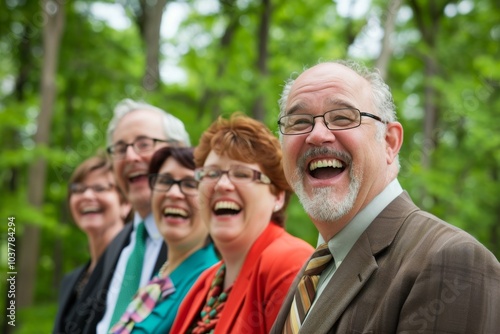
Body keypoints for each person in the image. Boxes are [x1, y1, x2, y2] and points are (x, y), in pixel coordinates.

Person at [270, 60, 500, 333]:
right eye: (299, 122)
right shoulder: (314, 273)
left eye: (343, 117)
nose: (317, 135)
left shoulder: (451, 260)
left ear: (390, 143)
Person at [170, 113, 314, 334]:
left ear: (277, 197)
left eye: (242, 173)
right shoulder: (205, 284)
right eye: (211, 173)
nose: (222, 184)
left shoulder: (289, 263)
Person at [61, 99, 191, 334]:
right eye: (120, 149)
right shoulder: (115, 247)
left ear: (179, 150)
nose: (131, 157)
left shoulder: (205, 245)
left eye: (144, 144)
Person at [109, 146, 219, 333]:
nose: (173, 193)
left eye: (190, 183)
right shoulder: (160, 275)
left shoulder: (212, 285)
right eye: (164, 181)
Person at [53, 152, 131, 334]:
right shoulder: (70, 280)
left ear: (125, 204)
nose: (87, 195)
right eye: (78, 189)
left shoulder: (132, 269)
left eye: (100, 188)